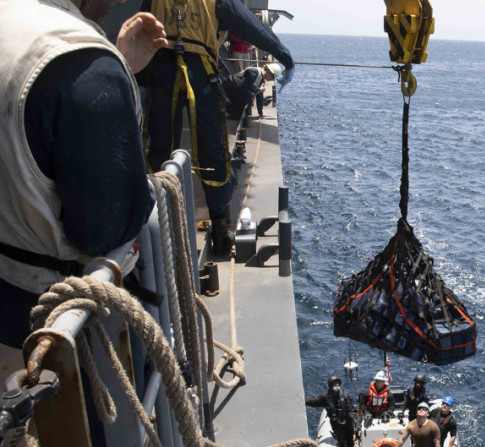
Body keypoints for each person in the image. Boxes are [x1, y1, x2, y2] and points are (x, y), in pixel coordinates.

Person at [0, 0, 163, 349]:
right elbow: (105, 229)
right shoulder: (83, 63)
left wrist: (121, 68)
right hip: (53, 325)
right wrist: (108, 75)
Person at [142, 0, 295, 256]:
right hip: (199, 75)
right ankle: (221, 232)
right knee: (213, 153)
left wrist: (137, 78)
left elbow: (140, 22)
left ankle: (155, 229)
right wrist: (285, 57)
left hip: (160, 71)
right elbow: (250, 25)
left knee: (159, 150)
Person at [305, 375, 357, 447]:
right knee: (343, 443)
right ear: (330, 386)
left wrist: (354, 420)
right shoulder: (325, 397)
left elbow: (350, 409)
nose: (336, 386)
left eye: (338, 384)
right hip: (337, 425)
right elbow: (314, 402)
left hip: (347, 423)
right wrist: (304, 401)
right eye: (334, 384)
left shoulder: (345, 395)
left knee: (350, 442)